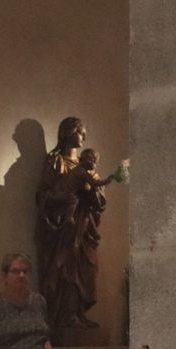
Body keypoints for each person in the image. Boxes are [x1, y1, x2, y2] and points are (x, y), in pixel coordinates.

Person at [36, 116, 107, 329]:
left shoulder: (88, 165)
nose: (84, 136)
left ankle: (78, 313)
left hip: (85, 228)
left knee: (87, 268)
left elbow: (100, 200)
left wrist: (94, 193)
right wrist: (61, 198)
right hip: (62, 228)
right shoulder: (54, 161)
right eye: (79, 131)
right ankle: (67, 317)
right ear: (67, 132)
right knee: (66, 270)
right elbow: (43, 196)